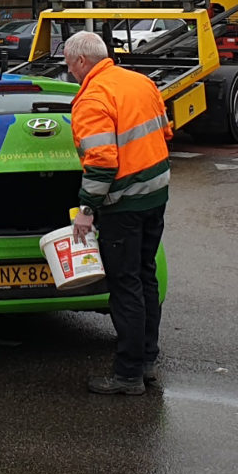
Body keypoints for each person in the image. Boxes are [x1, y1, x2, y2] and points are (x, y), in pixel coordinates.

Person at [64, 30, 170, 396]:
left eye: (68, 64)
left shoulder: (93, 97)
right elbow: (164, 131)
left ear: (81, 61)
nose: (69, 71)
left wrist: (86, 210)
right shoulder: (141, 83)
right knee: (145, 277)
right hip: (156, 194)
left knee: (125, 287)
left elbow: (102, 162)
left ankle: (127, 375)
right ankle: (147, 362)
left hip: (122, 204)